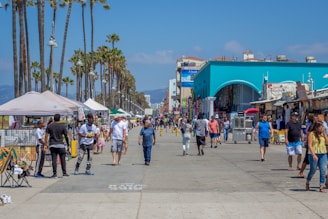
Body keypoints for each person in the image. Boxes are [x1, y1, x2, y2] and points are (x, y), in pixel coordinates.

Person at [45, 114, 70, 178]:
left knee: (54, 160)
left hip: (52, 144)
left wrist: (45, 144)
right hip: (61, 144)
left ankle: (54, 174)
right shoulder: (62, 126)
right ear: (59, 118)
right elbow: (66, 136)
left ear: (54, 118)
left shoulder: (49, 126)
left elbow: (46, 135)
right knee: (63, 159)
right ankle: (64, 173)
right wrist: (68, 144)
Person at [306, 122, 328, 192]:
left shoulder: (323, 134)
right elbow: (309, 145)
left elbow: (327, 143)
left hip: (323, 153)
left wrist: (324, 134)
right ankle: (308, 181)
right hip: (313, 153)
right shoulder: (311, 134)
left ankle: (321, 186)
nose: (322, 128)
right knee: (313, 170)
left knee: (323, 169)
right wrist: (313, 154)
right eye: (321, 127)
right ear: (317, 127)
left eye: (323, 127)